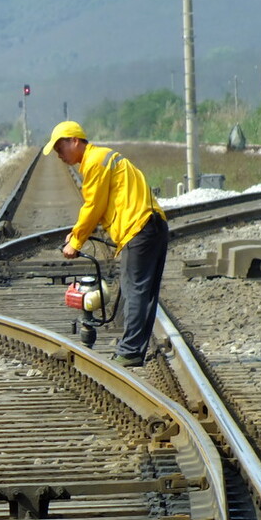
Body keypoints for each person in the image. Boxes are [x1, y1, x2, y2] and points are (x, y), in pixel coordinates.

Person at [43, 120, 168, 367]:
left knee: (134, 291)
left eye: (60, 148)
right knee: (144, 292)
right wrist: (77, 232)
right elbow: (100, 206)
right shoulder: (102, 158)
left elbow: (93, 206)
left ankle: (130, 351)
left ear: (75, 141)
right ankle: (133, 350)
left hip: (139, 228)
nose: (59, 155)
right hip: (154, 225)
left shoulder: (95, 162)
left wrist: (76, 241)